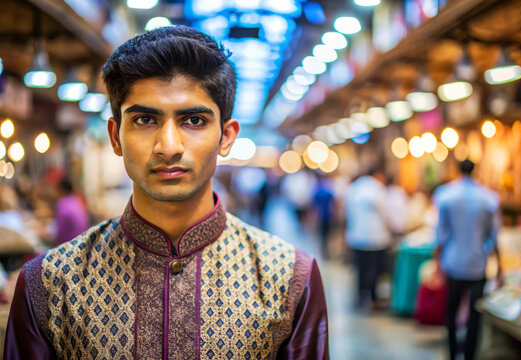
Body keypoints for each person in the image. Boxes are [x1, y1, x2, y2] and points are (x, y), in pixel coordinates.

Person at [4, 25, 328, 359]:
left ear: (227, 136)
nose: (169, 147)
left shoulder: (287, 279)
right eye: (145, 120)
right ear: (115, 136)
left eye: (194, 121)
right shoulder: (50, 284)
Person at [433, 159, 503, 360]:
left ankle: (453, 351)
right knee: (474, 315)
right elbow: (495, 236)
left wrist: (437, 263)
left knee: (451, 311)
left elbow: (441, 234)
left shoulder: (446, 195)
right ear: (475, 171)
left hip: (453, 262)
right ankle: (470, 354)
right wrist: (499, 268)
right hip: (477, 263)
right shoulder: (488, 198)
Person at [344, 167, 392, 309]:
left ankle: (360, 296)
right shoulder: (377, 189)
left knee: (360, 268)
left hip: (356, 236)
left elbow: (347, 213)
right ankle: (372, 298)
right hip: (376, 237)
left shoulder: (354, 188)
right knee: (375, 269)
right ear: (378, 175)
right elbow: (385, 214)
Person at [54, 178, 89, 246]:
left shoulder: (62, 203)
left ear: (61, 190)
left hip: (69, 244)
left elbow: (60, 232)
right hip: (82, 240)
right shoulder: (76, 200)